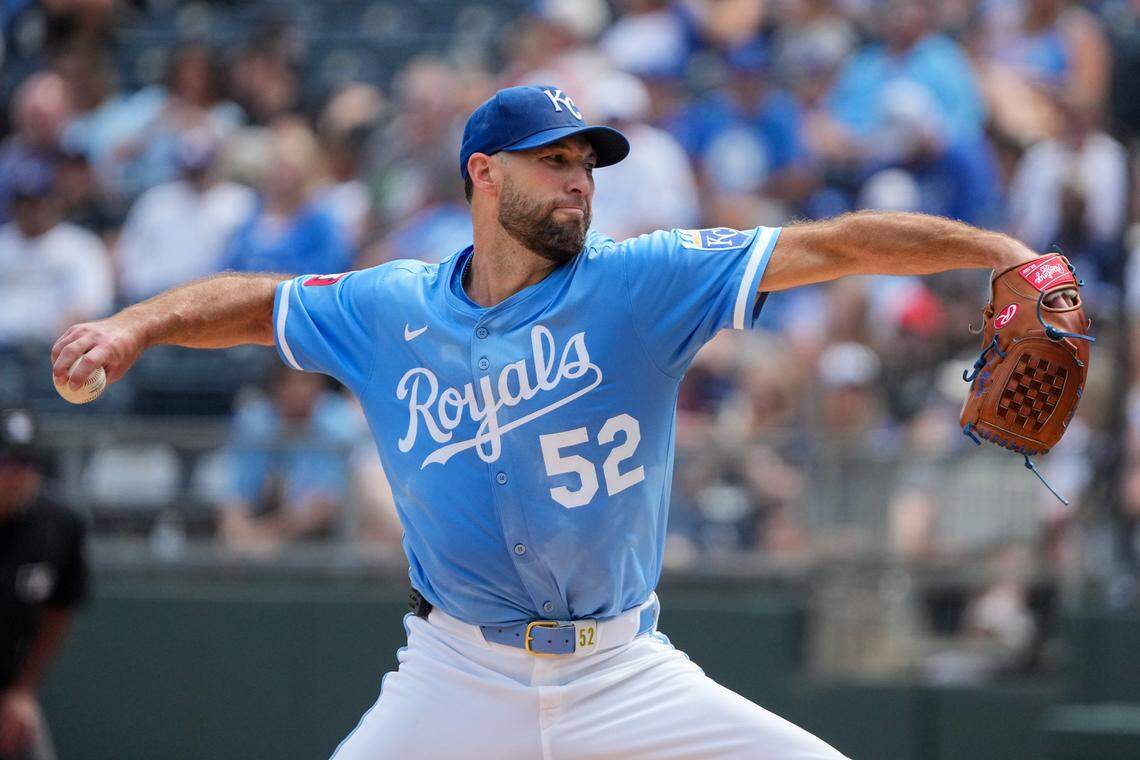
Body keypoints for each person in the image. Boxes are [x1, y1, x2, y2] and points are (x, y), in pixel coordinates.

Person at [51, 84, 1059, 759]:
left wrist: (993, 245)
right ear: (483, 172)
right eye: (552, 159)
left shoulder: (643, 282)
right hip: (455, 671)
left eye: (587, 161)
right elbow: (260, 303)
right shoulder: (389, 305)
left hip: (625, 670)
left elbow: (833, 247)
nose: (580, 179)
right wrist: (134, 326)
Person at [0, 409, 89, 760]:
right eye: (9, 463)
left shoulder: (57, 525)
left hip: (9, 689)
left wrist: (22, 690)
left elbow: (58, 611)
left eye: (28, 463)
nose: (21, 476)